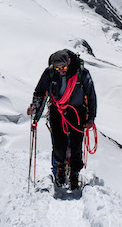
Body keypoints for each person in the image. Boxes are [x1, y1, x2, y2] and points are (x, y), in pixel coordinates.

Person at [28, 49, 97, 190]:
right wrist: (35, 107)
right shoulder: (50, 72)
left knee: (77, 145)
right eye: (58, 68)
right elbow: (40, 91)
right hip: (57, 112)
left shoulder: (81, 73)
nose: (61, 71)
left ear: (69, 63)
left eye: (64, 67)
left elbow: (91, 96)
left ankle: (74, 175)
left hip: (77, 113)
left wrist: (91, 118)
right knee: (59, 144)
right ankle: (60, 169)